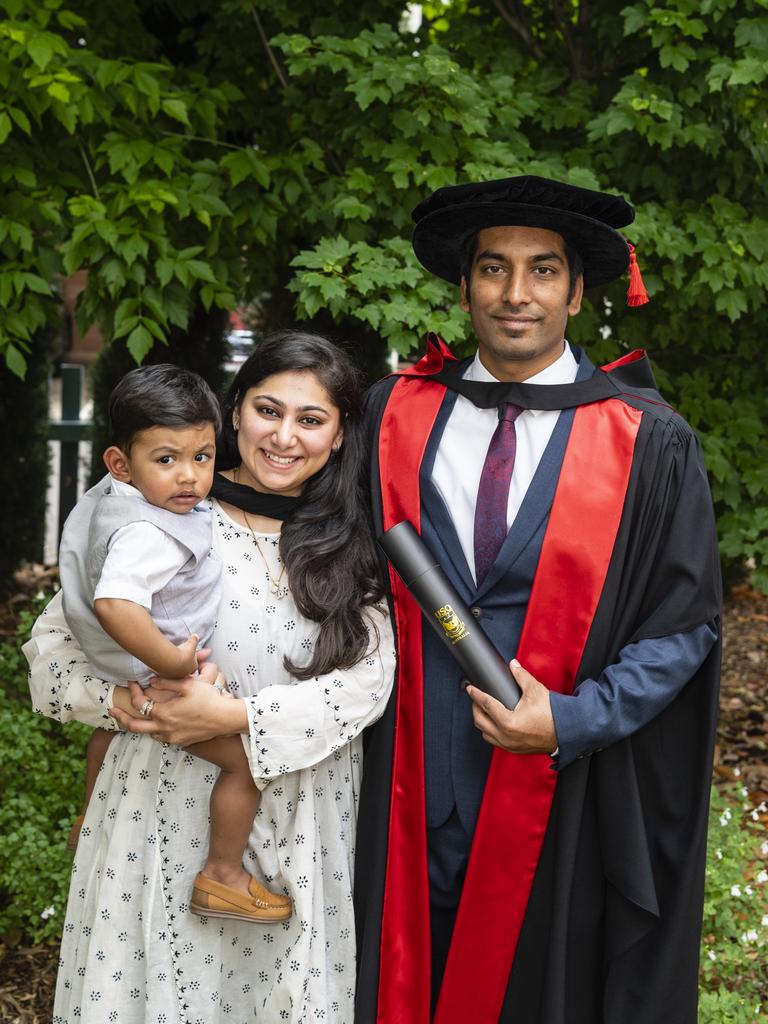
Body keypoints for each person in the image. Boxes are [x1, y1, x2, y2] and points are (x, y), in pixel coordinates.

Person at [354, 176, 722, 1024]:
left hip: (562, 796)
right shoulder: (393, 414)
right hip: (398, 789)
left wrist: (574, 719)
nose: (516, 294)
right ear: (464, 285)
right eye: (493, 268)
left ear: (578, 289)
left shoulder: (648, 439)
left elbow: (684, 624)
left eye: (543, 270)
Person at [25, 331, 395, 1024]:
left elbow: (368, 685)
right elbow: (51, 659)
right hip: (158, 819)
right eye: (267, 410)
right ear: (234, 413)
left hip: (300, 828)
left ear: (341, 435)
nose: (284, 436)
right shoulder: (162, 515)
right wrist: (128, 703)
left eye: (311, 420)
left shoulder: (354, 545)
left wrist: (236, 721)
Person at [58, 363, 289, 922]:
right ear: (122, 464)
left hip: (128, 678)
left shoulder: (119, 506)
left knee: (104, 734)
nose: (188, 477)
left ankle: (89, 819)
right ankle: (224, 874)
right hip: (162, 678)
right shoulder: (150, 532)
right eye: (167, 460)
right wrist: (175, 661)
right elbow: (116, 603)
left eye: (201, 457)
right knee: (246, 764)